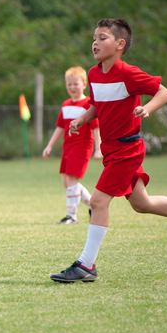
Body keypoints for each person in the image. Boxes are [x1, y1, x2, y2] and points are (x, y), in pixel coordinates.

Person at [51, 19, 167, 283]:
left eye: (102, 38)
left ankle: (86, 266)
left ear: (120, 45)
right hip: (112, 150)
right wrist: (82, 119)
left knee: (97, 202)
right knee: (142, 204)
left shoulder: (128, 73)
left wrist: (148, 108)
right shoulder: (94, 74)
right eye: (94, 38)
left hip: (127, 149)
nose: (95, 43)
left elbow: (164, 93)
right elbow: (98, 106)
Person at [42, 66, 102, 224]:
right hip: (67, 148)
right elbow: (60, 128)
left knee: (72, 183)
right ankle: (93, 205)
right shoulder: (66, 104)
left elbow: (96, 128)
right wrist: (49, 146)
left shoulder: (89, 104)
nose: (72, 87)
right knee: (66, 183)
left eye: (76, 84)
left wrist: (98, 149)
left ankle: (71, 216)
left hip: (82, 147)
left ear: (84, 84)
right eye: (69, 84)